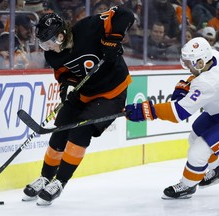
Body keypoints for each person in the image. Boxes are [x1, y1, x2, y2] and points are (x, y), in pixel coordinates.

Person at [21, 6, 134, 206]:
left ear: (61, 35)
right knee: (61, 127)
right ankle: (45, 177)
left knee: (82, 129)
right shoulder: (53, 56)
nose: (49, 48)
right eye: (44, 45)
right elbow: (64, 76)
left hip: (111, 93)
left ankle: (60, 182)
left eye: (50, 42)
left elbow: (124, 14)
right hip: (83, 93)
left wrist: (112, 40)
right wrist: (67, 88)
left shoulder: (88, 27)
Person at [125, 37, 219, 199]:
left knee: (198, 152)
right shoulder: (214, 56)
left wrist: (144, 111)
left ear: (200, 62)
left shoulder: (209, 82)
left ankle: (187, 185)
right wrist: (186, 86)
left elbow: (179, 113)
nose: (186, 66)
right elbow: (198, 76)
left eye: (188, 63)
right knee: (195, 136)